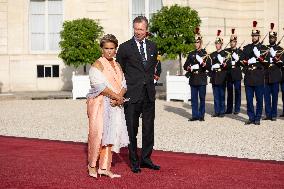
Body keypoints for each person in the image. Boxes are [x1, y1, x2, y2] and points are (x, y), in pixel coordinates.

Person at [116, 16, 160, 173]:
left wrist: (155, 77)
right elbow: (119, 71)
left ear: (146, 29)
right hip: (132, 95)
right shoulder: (124, 47)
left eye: (141, 29)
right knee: (132, 130)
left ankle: (146, 159)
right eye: (135, 29)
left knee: (148, 129)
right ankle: (134, 161)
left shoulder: (153, 46)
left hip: (149, 94)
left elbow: (155, 66)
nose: (138, 32)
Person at [86, 34, 129, 178]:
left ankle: (104, 167)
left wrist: (119, 98)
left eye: (112, 48)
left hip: (114, 105)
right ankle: (92, 165)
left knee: (111, 135)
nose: (109, 51)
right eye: (106, 48)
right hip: (100, 105)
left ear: (116, 49)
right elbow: (100, 86)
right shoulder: (97, 64)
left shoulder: (117, 65)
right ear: (102, 49)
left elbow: (123, 84)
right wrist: (118, 97)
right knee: (97, 135)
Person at [242, 21, 266, 125]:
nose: (254, 37)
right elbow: (242, 61)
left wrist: (259, 57)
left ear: (259, 36)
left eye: (256, 35)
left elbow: (266, 63)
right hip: (249, 77)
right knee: (249, 100)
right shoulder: (247, 48)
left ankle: (257, 118)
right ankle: (251, 117)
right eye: (253, 35)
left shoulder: (264, 48)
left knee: (259, 99)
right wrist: (247, 63)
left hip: (259, 76)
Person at [183, 27, 210, 121]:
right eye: (195, 42)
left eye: (197, 42)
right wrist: (189, 68)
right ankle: (194, 115)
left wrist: (203, 64)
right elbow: (185, 66)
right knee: (194, 99)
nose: (196, 44)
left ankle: (201, 115)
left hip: (202, 78)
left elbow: (208, 67)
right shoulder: (191, 54)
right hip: (193, 78)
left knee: (202, 98)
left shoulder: (205, 53)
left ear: (201, 43)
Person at [263, 23, 283, 121]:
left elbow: (281, 64)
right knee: (266, 97)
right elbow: (261, 60)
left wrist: (274, 57)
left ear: (275, 38)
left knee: (274, 97)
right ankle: (268, 114)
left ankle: (274, 114)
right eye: (270, 38)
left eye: (273, 38)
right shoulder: (265, 48)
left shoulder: (280, 50)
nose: (271, 39)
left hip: (275, 75)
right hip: (266, 75)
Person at [209, 30, 227, 117]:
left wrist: (222, 62)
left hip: (222, 76)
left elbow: (228, 65)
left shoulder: (225, 54)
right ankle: (216, 111)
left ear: (221, 44)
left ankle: (222, 111)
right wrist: (211, 66)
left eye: (219, 44)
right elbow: (209, 65)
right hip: (214, 76)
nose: (217, 45)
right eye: (216, 43)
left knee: (222, 95)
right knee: (215, 95)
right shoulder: (212, 54)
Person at [224, 29, 243, 115]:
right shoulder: (226, 51)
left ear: (236, 42)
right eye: (231, 41)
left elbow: (242, 63)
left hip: (237, 73)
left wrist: (238, 59)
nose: (232, 43)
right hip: (229, 73)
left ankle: (237, 109)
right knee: (230, 92)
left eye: (234, 41)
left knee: (238, 92)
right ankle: (229, 109)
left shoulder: (240, 51)